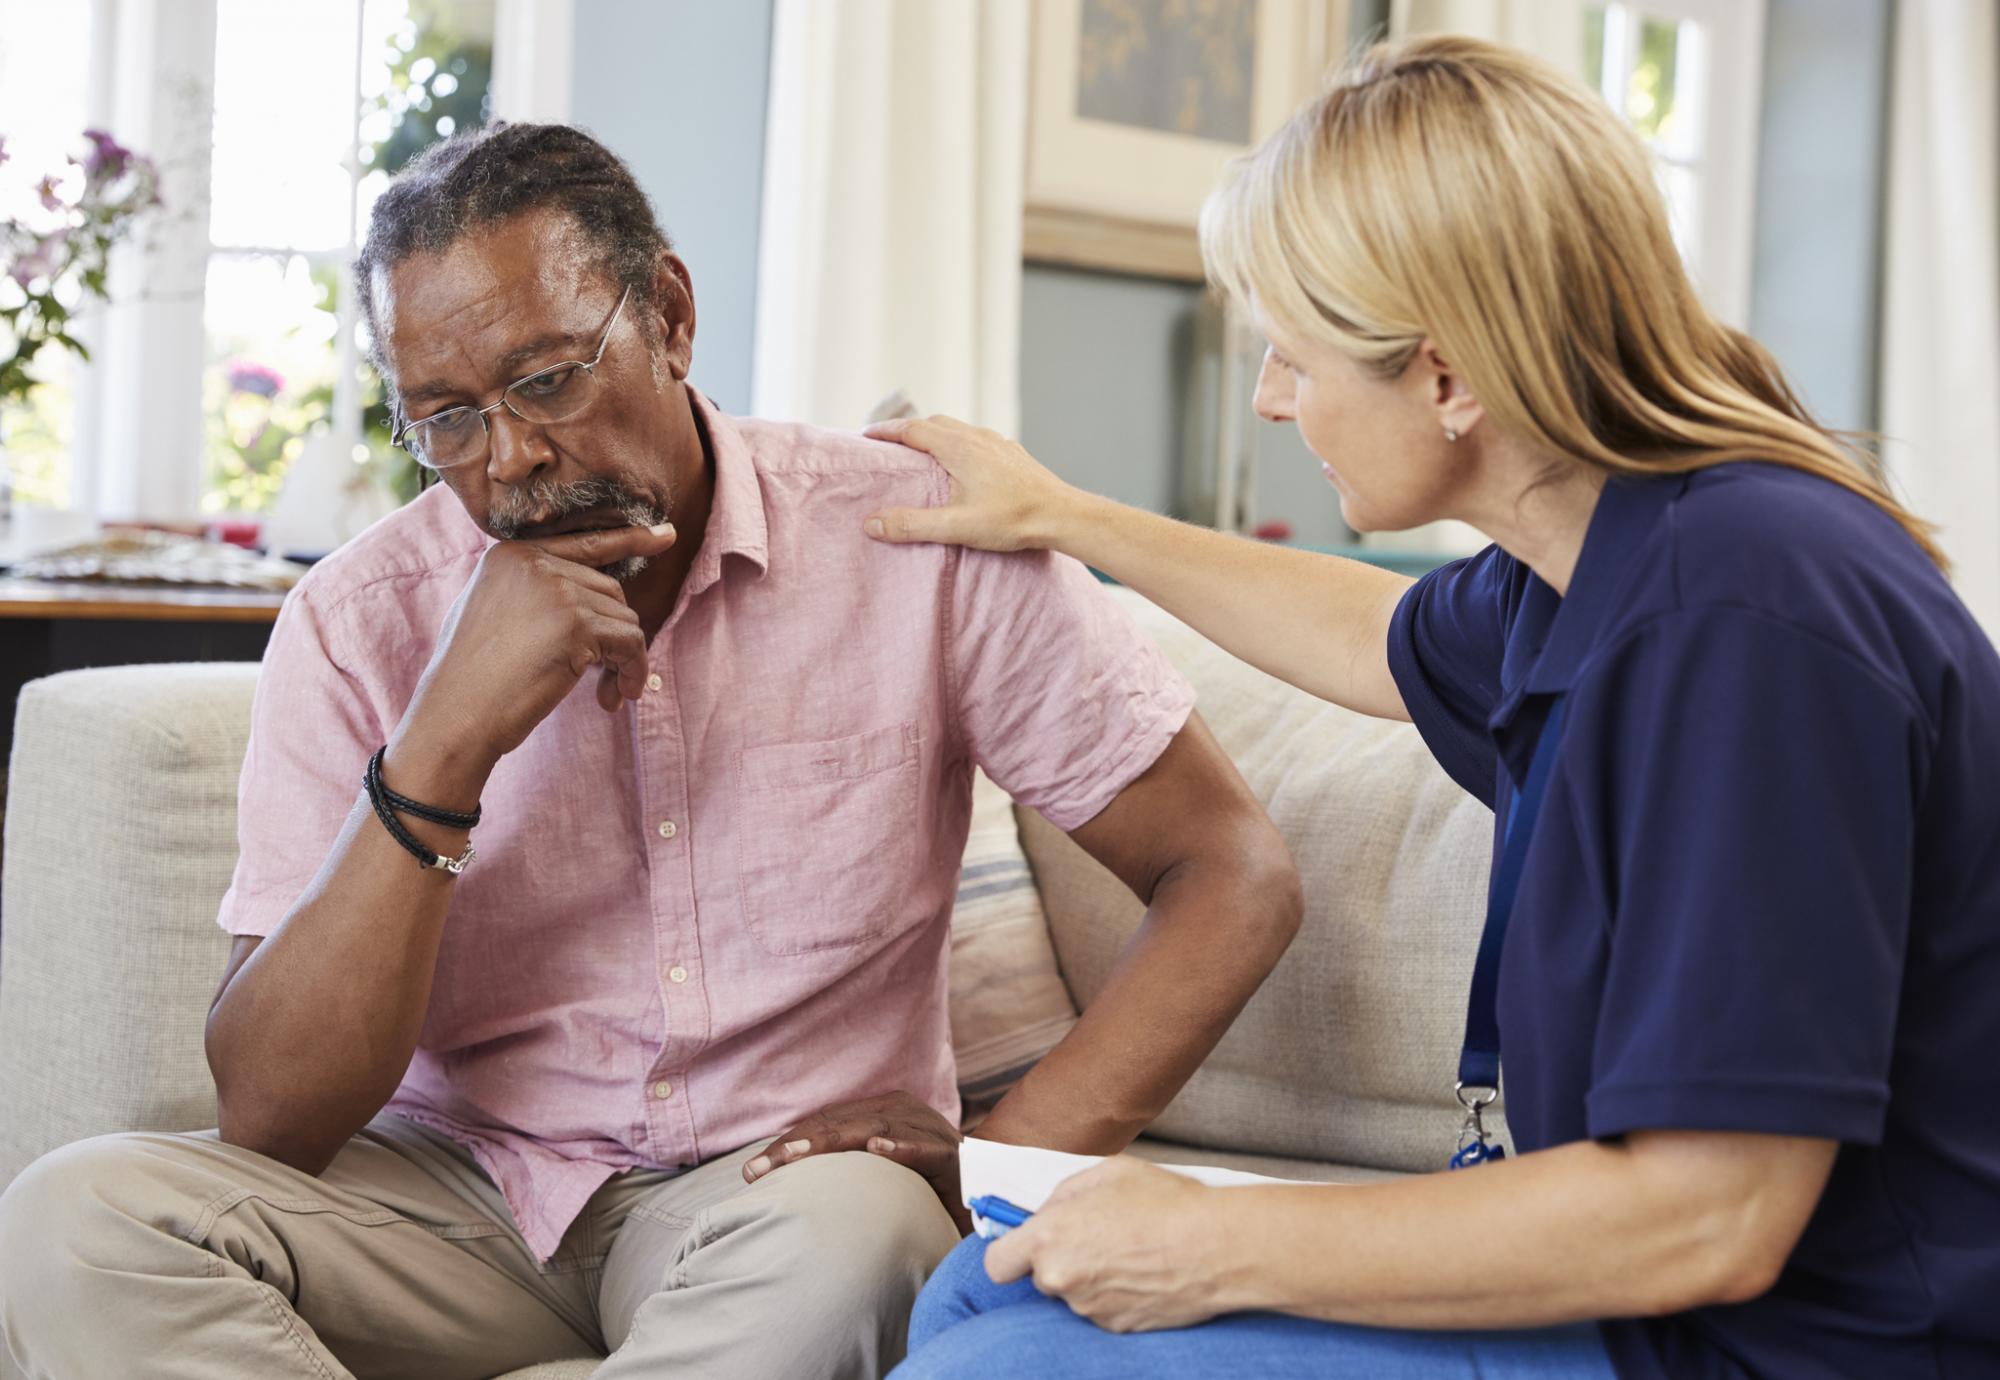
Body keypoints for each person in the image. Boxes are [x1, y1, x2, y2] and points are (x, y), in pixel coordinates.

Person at [0, 124, 1305, 1380]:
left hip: (775, 1194)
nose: (507, 457)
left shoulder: (913, 538)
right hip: (450, 1196)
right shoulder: (357, 621)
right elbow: (273, 1121)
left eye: (547, 379)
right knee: (76, 1219)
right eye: (444, 416)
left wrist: (1006, 1156)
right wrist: (445, 745)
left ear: (669, 316)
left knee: (866, 1247)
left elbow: (1230, 874)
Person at [875, 35, 2000, 1380]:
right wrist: (1066, 514)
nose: (1273, 401)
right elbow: (1373, 638)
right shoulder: (1594, 553)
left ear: (1449, 377)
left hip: (1791, 1345)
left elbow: (1715, 1217)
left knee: (994, 1370)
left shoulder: (1744, 622)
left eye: (1293, 354)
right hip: (1663, 1311)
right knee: (971, 1292)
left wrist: (1211, 1240)